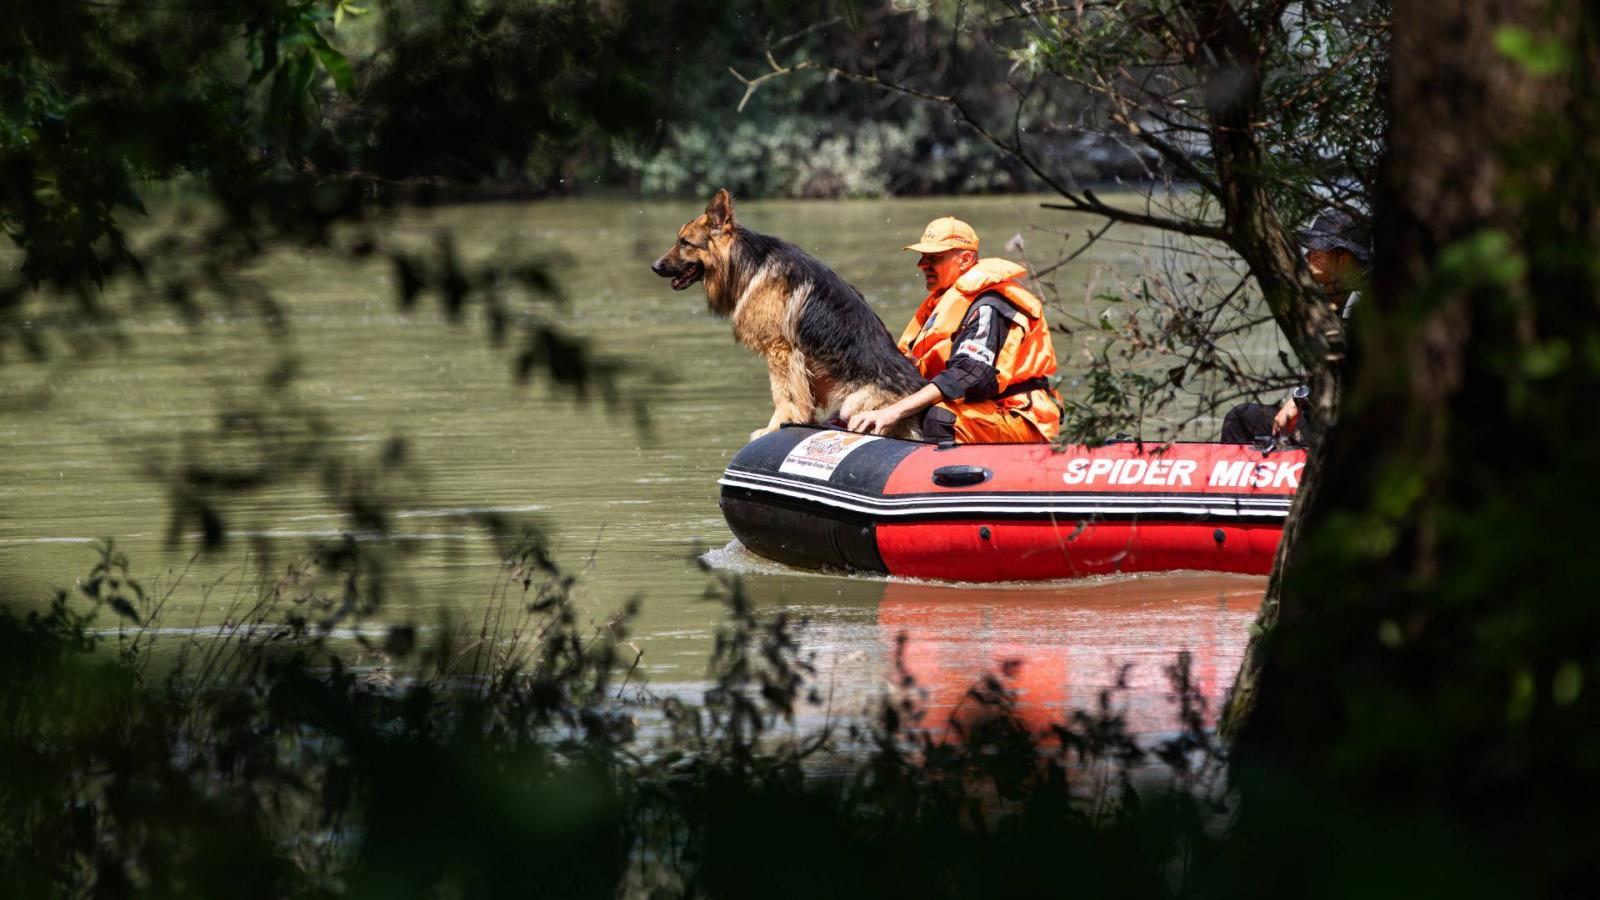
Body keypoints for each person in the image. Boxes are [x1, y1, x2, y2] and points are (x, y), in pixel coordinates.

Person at [847, 217, 1063, 443]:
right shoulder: (942, 303)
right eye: (922, 257)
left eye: (935, 258)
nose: (922, 265)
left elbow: (970, 374)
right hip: (980, 409)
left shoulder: (991, 305)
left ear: (965, 259)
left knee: (940, 417)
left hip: (1019, 415)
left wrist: (894, 411)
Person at [1219, 208, 1371, 444]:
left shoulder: (1367, 305)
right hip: (1321, 415)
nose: (1308, 256)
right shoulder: (1331, 296)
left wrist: (1299, 400)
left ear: (1343, 259)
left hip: (1350, 430)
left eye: (1317, 252)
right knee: (1240, 418)